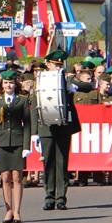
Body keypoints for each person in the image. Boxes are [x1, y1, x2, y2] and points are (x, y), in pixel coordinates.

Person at [30, 50, 81, 211]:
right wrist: (34, 132)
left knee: (62, 163)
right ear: (48, 64)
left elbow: (87, 85)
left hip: (64, 127)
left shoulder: (66, 80)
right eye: (55, 64)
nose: (57, 68)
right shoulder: (41, 81)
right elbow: (34, 107)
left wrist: (73, 86)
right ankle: (49, 197)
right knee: (48, 163)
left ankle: (61, 198)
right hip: (46, 128)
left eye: (60, 65)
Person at [0, 69, 31, 223]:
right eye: (6, 83)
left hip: (18, 142)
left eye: (11, 83)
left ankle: (17, 211)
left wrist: (26, 145)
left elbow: (27, 124)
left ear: (15, 84)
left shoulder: (22, 100)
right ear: (2, 85)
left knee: (17, 177)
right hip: (1, 143)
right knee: (5, 177)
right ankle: (8, 211)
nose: (8, 85)